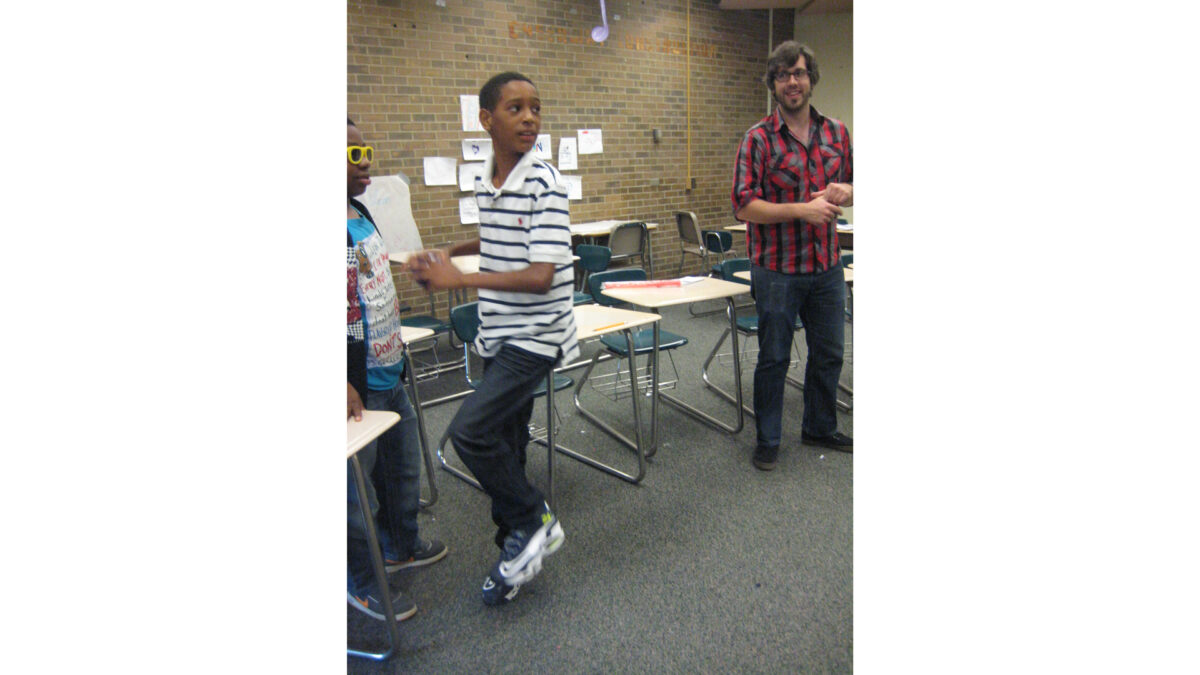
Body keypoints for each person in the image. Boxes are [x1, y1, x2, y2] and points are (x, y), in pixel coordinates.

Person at [406, 72, 577, 606]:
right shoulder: (489, 178)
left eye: (536, 108)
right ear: (487, 120)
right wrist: (454, 250)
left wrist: (460, 278)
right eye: (515, 108)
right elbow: (500, 230)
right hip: (500, 329)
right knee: (506, 440)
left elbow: (541, 273)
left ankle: (533, 519)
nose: (530, 118)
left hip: (537, 332)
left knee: (471, 434)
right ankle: (515, 546)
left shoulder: (543, 181)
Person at [731, 41, 853, 471]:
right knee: (774, 357)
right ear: (774, 84)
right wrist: (803, 209)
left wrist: (847, 191)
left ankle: (819, 426)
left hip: (826, 267)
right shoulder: (758, 139)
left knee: (829, 353)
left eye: (799, 72)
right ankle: (768, 438)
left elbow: (855, 185)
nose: (792, 82)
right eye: (783, 75)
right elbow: (744, 205)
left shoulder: (837, 132)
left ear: (811, 78)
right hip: (778, 270)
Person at [347, 117, 447, 622]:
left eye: (365, 150)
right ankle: (361, 580)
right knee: (353, 493)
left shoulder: (359, 211)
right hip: (355, 385)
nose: (367, 163)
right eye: (353, 154)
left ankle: (400, 544)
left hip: (389, 368)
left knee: (401, 469)